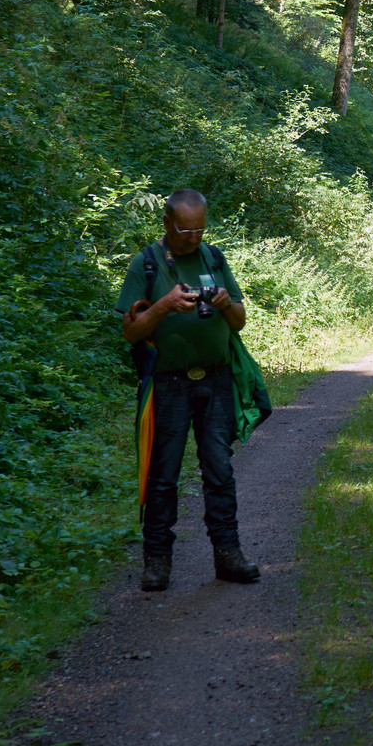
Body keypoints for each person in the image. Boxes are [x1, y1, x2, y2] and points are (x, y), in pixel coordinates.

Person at [117, 189, 260, 590]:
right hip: (168, 385)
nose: (193, 238)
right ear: (166, 222)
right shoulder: (145, 264)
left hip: (214, 380)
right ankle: (157, 562)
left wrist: (223, 303)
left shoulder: (214, 258)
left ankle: (228, 555)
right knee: (163, 475)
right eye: (185, 230)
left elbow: (239, 321)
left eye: (200, 229)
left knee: (220, 471)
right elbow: (130, 333)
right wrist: (163, 306)